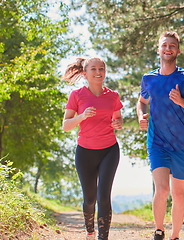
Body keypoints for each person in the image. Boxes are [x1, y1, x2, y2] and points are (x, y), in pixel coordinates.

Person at [136, 31, 184, 240]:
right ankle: (159, 230)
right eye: (164, 45)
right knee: (162, 189)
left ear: (178, 50)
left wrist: (181, 101)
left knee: (178, 193)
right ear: (158, 49)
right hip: (157, 142)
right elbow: (141, 101)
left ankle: (175, 235)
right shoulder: (149, 78)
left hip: (181, 144)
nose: (168, 48)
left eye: (172, 45)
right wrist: (141, 115)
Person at [62, 57, 123, 240]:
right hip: (85, 152)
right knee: (90, 200)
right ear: (85, 73)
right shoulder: (77, 95)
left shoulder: (113, 95)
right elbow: (65, 125)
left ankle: (103, 237)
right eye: (94, 69)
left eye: (101, 69)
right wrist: (81, 117)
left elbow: (118, 117)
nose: (98, 72)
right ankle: (90, 231)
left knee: (103, 196)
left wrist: (118, 123)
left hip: (109, 150)